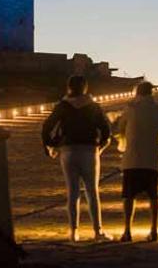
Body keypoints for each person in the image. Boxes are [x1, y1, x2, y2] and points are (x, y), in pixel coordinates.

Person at [41, 75, 113, 242]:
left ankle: (74, 232)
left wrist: (51, 145)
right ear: (85, 88)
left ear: (69, 88)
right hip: (89, 149)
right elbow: (106, 129)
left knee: (72, 193)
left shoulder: (62, 106)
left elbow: (47, 126)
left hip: (68, 150)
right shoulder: (93, 106)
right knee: (92, 191)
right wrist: (100, 145)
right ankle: (98, 231)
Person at [115, 82, 158, 242]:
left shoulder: (131, 108)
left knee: (129, 196)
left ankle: (127, 231)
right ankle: (154, 230)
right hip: (152, 159)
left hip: (132, 158)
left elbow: (120, 128)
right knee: (153, 197)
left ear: (137, 92)